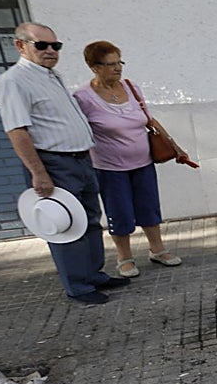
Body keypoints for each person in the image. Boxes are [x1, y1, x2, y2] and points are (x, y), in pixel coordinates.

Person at [0, 21, 129, 305]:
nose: (50, 51)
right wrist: (39, 173)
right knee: (66, 226)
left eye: (55, 46)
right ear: (21, 45)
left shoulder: (50, 75)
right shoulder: (14, 81)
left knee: (90, 221)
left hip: (81, 159)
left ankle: (94, 274)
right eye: (41, 45)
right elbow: (17, 130)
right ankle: (79, 286)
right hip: (54, 163)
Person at [73, 40, 189, 277]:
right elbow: (78, 131)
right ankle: (124, 258)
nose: (117, 68)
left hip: (143, 162)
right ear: (93, 66)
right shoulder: (82, 97)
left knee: (149, 207)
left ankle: (157, 250)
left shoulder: (131, 86)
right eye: (110, 64)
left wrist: (174, 145)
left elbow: (149, 120)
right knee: (120, 211)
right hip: (109, 167)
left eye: (119, 62)